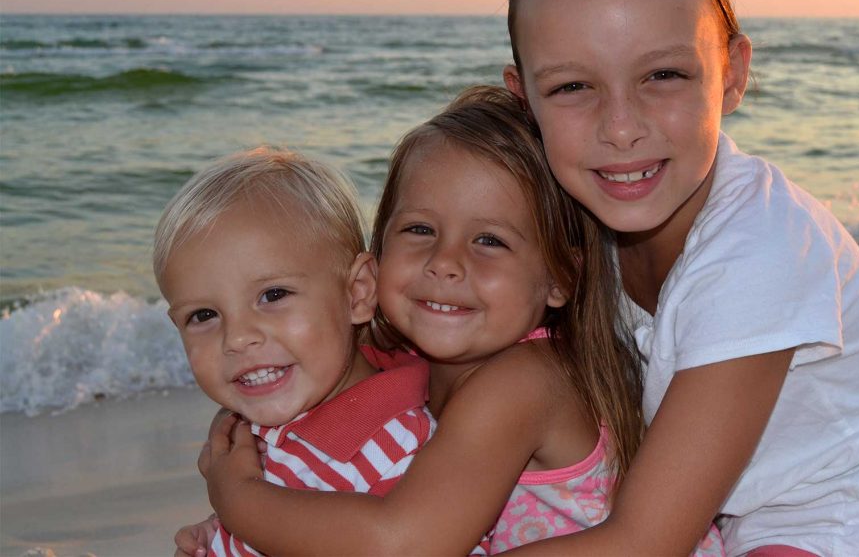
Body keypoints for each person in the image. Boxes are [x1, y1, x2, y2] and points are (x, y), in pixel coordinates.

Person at [501, 0, 859, 556]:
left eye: (663, 75)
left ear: (733, 73)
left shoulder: (761, 249)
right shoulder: (585, 218)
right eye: (574, 86)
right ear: (525, 100)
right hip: (742, 525)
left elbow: (643, 540)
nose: (621, 126)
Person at [185, 87, 725, 556]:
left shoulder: (524, 381)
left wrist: (241, 501)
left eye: (490, 240)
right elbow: (353, 494)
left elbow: (403, 544)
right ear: (373, 261)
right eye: (420, 230)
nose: (445, 263)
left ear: (560, 276)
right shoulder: (403, 360)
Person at [155, 147, 435, 557]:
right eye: (203, 315)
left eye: (273, 294)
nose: (236, 337)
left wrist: (238, 505)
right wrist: (215, 537)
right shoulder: (259, 424)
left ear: (357, 292)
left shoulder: (399, 451)